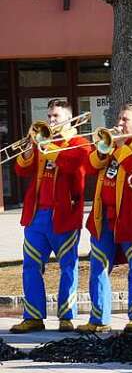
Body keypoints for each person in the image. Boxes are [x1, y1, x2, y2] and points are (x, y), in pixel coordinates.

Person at [11, 99, 90, 333]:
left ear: (67, 118)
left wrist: (48, 146)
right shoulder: (41, 142)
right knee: (31, 266)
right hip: (36, 215)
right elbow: (21, 170)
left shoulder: (79, 143)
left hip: (64, 214)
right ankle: (33, 316)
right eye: (49, 116)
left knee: (68, 266)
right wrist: (28, 150)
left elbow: (73, 166)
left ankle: (66, 316)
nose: (51, 120)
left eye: (56, 116)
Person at [79, 104, 132, 333]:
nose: (120, 124)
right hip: (104, 218)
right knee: (98, 268)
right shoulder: (111, 144)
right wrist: (105, 148)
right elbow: (89, 166)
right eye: (119, 119)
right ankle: (99, 318)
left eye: (125, 120)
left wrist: (121, 147)